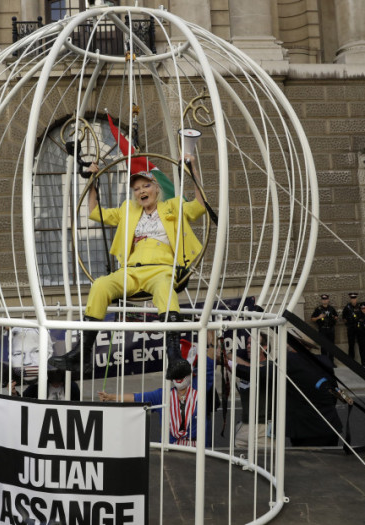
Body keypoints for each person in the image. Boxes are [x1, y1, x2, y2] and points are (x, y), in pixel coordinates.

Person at [49, 151, 208, 381]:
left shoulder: (173, 207)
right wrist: (92, 182)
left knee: (165, 288)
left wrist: (193, 168)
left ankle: (174, 356)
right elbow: (95, 212)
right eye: (137, 188)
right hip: (130, 271)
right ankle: (82, 354)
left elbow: (200, 205)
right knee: (101, 285)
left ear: (156, 188)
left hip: (161, 269)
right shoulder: (128, 210)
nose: (141, 191)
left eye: (146, 186)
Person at [98, 371, 204, 446]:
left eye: (182, 374)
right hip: (170, 448)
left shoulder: (200, 396)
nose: (179, 377)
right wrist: (110, 397)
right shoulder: (162, 395)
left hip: (195, 449)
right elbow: (136, 398)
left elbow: (208, 369)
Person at [286, 340, 343, 446]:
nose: (287, 345)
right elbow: (334, 392)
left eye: (290, 342)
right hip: (330, 426)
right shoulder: (324, 361)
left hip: (307, 431)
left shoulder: (291, 360)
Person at [230, 332, 276, 449]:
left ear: (264, 347)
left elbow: (256, 371)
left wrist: (230, 359)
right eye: (248, 343)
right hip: (244, 427)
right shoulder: (244, 368)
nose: (249, 346)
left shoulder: (269, 367)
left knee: (262, 463)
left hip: (263, 429)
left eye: (253, 343)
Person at [311, 294, 338, 364]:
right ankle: (325, 362)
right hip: (322, 329)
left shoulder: (331, 309)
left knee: (331, 346)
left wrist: (333, 317)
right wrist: (319, 317)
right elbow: (312, 319)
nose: (324, 301)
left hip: (330, 329)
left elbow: (336, 317)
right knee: (323, 347)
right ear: (321, 300)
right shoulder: (318, 309)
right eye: (323, 299)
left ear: (328, 300)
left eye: (326, 299)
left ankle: (331, 362)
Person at [342, 293, 362, 361]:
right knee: (351, 344)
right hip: (351, 328)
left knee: (361, 344)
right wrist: (348, 324)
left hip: (359, 328)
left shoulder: (360, 306)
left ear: (356, 299)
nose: (353, 300)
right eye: (352, 298)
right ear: (350, 299)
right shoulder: (347, 307)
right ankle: (351, 360)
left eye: (354, 298)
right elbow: (344, 317)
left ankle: (363, 361)